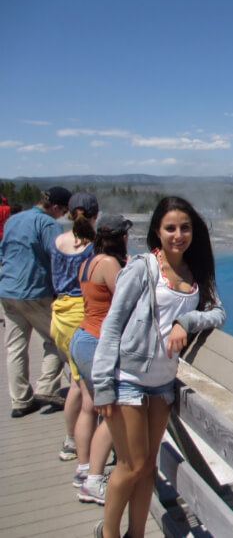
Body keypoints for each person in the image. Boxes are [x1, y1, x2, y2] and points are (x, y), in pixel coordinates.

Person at [93, 197, 225, 538]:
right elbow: (111, 326)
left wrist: (186, 320)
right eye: (170, 228)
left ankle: (135, 533)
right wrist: (103, 385)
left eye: (185, 228)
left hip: (162, 381)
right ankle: (108, 533)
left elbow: (218, 313)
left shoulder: (195, 272)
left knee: (147, 468)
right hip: (128, 379)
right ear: (157, 231)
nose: (178, 235)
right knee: (130, 465)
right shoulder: (142, 267)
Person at [70, 214, 132, 505]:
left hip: (82, 338)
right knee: (112, 413)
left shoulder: (89, 261)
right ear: (121, 237)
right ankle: (95, 481)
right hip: (97, 343)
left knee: (89, 406)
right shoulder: (108, 263)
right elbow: (126, 298)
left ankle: (84, 470)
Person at [0, 186, 71, 418]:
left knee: (15, 347)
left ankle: (20, 401)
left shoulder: (14, 220)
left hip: (8, 291)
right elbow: (57, 258)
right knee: (56, 340)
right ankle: (46, 389)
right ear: (56, 207)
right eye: (63, 211)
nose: (62, 216)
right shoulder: (49, 225)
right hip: (36, 291)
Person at [50, 192, 100, 461]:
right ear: (96, 214)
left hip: (59, 313)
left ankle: (71, 440)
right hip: (83, 315)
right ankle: (82, 451)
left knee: (74, 381)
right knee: (86, 390)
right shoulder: (93, 246)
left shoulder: (58, 241)